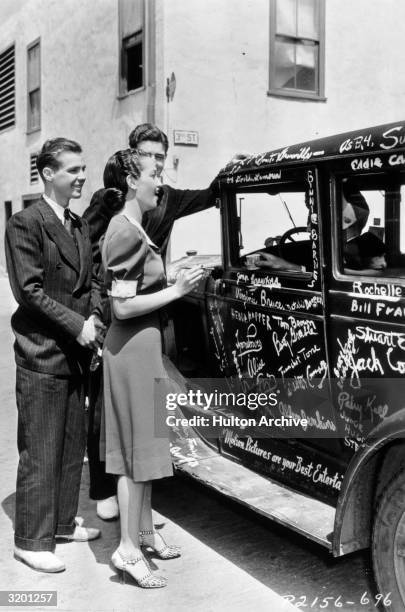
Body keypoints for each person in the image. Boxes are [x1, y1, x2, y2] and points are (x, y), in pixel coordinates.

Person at [83, 123, 225, 521]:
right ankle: (102, 488)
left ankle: (141, 500)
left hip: (151, 309)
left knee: (148, 408)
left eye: (161, 157)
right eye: (148, 156)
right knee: (106, 408)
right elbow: (86, 251)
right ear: (132, 158)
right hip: (111, 305)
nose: (156, 164)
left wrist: (231, 169)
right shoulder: (110, 201)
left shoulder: (167, 197)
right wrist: (93, 313)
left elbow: (212, 195)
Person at [101, 149, 204, 588]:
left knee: (147, 448)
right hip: (130, 352)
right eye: (154, 174)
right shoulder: (123, 231)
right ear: (130, 181)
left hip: (143, 351)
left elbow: (140, 284)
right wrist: (176, 290)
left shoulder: (136, 227)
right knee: (133, 455)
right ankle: (126, 549)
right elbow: (121, 306)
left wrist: (172, 276)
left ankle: (143, 531)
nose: (160, 183)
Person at [5, 138, 103, 573]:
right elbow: (29, 292)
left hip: (77, 353)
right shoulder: (26, 223)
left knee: (69, 445)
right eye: (73, 170)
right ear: (47, 173)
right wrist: (78, 325)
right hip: (43, 354)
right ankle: (30, 538)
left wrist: (97, 317)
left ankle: (62, 523)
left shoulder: (78, 224)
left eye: (83, 169)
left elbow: (95, 278)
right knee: (42, 449)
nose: (82, 176)